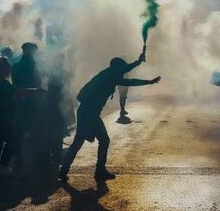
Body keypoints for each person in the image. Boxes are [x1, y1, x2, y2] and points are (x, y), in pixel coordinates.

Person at [59, 50, 161, 181]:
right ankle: (98, 170)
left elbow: (128, 80)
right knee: (100, 140)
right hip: (89, 112)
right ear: (116, 67)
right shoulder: (110, 74)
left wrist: (143, 71)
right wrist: (140, 65)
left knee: (80, 142)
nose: (123, 72)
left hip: (87, 111)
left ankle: (66, 170)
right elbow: (130, 80)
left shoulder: (108, 74)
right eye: (121, 69)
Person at [11, 42, 42, 163]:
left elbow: (14, 83)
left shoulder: (16, 66)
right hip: (31, 100)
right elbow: (38, 82)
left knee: (20, 130)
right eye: (34, 51)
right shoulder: (32, 66)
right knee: (35, 128)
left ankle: (18, 155)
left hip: (20, 101)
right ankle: (37, 156)